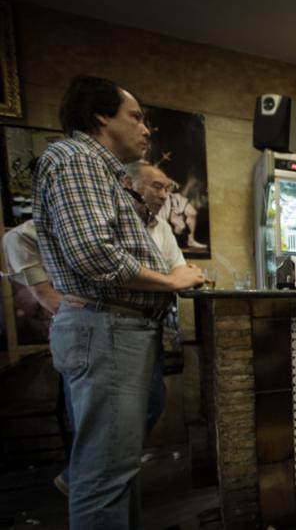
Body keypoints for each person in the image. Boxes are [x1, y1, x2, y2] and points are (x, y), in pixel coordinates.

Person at [32, 75, 204, 529]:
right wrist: (170, 281)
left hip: (114, 328)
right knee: (104, 475)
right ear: (100, 116)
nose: (146, 130)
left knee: (117, 471)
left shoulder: (96, 169)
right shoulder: (74, 160)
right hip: (104, 327)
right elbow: (93, 254)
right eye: (136, 117)